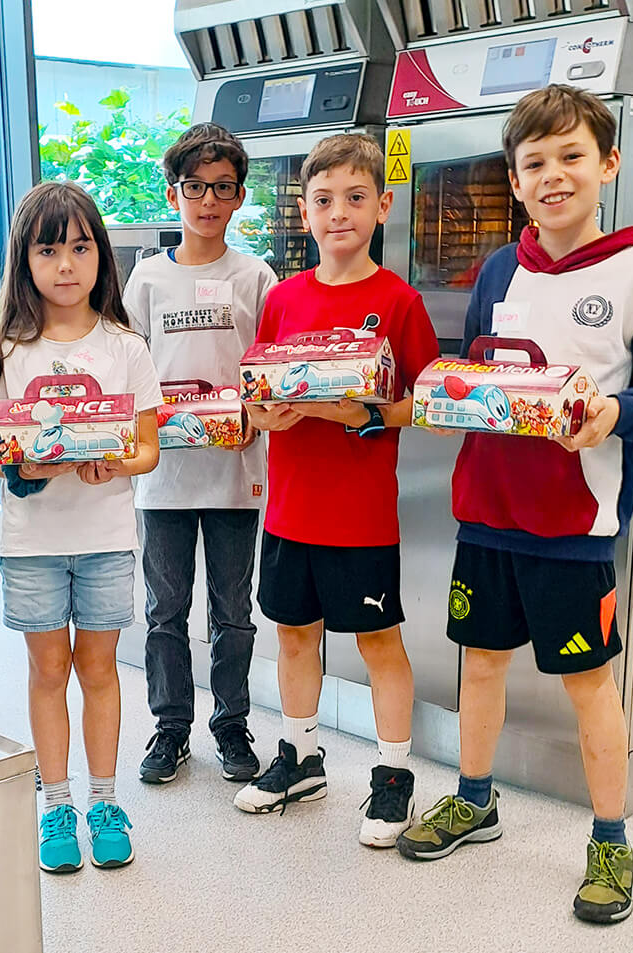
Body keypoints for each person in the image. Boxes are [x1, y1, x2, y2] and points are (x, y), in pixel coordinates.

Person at [396, 84, 633, 925]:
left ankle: (610, 837)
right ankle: (475, 797)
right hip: (486, 510)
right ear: (516, 179)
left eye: (572, 156)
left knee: (589, 684)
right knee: (482, 664)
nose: (553, 175)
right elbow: (484, 373)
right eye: (535, 163)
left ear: (608, 163)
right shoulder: (501, 266)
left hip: (574, 523)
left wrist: (614, 413)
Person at [232, 133, 440, 849]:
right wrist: (265, 414)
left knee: (380, 642)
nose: (339, 213)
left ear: (382, 206)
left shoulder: (399, 301)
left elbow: (426, 401)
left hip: (361, 517)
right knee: (293, 635)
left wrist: (368, 414)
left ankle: (393, 775)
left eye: (355, 198)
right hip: (289, 509)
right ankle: (300, 756)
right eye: (324, 200)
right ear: (303, 210)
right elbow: (255, 397)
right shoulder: (283, 298)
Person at [0, 181, 163, 874]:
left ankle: (106, 800)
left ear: (101, 257)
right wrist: (23, 468)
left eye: (81, 247)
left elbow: (146, 448)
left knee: (99, 669)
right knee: (49, 670)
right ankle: (56, 806)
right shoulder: (5, 350)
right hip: (32, 544)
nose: (67, 264)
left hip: (106, 537)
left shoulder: (126, 347)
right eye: (49, 249)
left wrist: (114, 461)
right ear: (25, 260)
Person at [122, 123, 277, 786]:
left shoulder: (255, 275)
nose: (207, 201)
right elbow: (128, 366)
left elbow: (270, 368)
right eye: (195, 187)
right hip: (162, 481)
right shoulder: (148, 279)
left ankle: (231, 724)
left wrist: (255, 416)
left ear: (239, 196)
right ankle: (170, 728)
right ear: (174, 191)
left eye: (221, 188)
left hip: (234, 476)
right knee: (164, 610)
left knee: (233, 611)